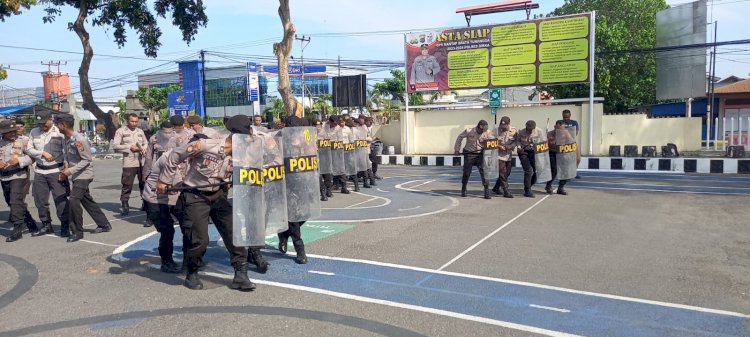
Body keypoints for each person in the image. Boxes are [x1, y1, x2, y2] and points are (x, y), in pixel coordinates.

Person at [157, 115, 255, 291]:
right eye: (246, 137)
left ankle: (241, 275)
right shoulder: (205, 146)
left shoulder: (243, 154)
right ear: (236, 137)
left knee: (235, 234)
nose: (249, 141)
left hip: (218, 195)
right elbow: (174, 156)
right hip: (195, 196)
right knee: (199, 240)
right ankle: (192, 272)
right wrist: (164, 180)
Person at [56, 113, 112, 242]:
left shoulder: (79, 139)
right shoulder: (65, 138)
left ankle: (77, 231)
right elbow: (67, 155)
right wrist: (66, 165)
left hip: (84, 175)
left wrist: (69, 171)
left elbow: (87, 160)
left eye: (58, 124)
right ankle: (104, 224)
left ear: (63, 125)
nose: (57, 127)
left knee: (74, 200)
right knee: (86, 199)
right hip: (76, 175)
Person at [26, 111, 70, 237]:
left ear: (50, 119)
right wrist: (42, 153)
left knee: (60, 200)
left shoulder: (59, 132)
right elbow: (28, 149)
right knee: (40, 200)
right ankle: (46, 224)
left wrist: (66, 166)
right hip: (40, 171)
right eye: (40, 123)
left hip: (56, 171)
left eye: (44, 123)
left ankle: (65, 226)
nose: (42, 126)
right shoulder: (34, 132)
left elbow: (66, 151)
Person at [142, 148, 184, 273]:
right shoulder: (168, 159)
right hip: (156, 198)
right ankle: (166, 262)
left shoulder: (186, 158)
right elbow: (169, 181)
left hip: (173, 197)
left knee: (188, 224)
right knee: (167, 230)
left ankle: (188, 258)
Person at [0, 120, 34, 242]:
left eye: (13, 131)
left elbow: (32, 157)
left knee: (15, 201)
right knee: (11, 201)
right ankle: (30, 223)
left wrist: (19, 161)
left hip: (19, 175)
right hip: (4, 177)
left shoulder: (23, 141)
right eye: (9, 132)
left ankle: (17, 228)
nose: (12, 133)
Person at [112, 113, 147, 216]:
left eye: (136, 121)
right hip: (129, 162)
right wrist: (129, 147)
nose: (134, 123)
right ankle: (125, 203)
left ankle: (145, 202)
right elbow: (116, 146)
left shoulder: (140, 131)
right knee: (127, 184)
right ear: (128, 121)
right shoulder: (121, 131)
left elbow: (146, 143)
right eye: (132, 121)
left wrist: (143, 148)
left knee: (144, 183)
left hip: (141, 161)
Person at [12, 119, 40, 234]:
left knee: (19, 197)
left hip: (22, 171)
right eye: (16, 126)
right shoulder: (6, 139)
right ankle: (17, 216)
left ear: (24, 128)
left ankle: (26, 222)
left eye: (20, 126)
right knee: (13, 198)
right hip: (7, 173)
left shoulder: (26, 140)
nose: (18, 128)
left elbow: (32, 157)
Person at [454, 120, 493, 199]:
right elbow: (460, 137)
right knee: (466, 172)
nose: (483, 132)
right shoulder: (469, 131)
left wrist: (489, 147)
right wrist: (457, 149)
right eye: (482, 130)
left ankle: (486, 189)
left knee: (484, 172)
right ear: (478, 127)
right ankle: (464, 188)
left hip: (480, 154)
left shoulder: (488, 132)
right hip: (469, 153)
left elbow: (493, 142)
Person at [514, 120, 545, 198]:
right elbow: (517, 141)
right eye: (528, 129)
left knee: (537, 171)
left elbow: (543, 142)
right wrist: (519, 147)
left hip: (534, 152)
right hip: (523, 152)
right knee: (529, 170)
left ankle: (528, 185)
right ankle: (527, 190)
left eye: (531, 129)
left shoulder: (539, 132)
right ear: (526, 126)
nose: (530, 130)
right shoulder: (521, 132)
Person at [491, 116, 518, 198]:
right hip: (498, 155)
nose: (503, 127)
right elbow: (490, 141)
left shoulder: (514, 130)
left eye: (505, 126)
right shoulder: (495, 130)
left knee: (507, 173)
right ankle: (506, 191)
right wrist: (498, 145)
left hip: (508, 155)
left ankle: (496, 187)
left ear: (509, 124)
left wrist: (511, 146)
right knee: (502, 174)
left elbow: (517, 141)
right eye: (501, 125)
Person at [545, 121, 570, 195]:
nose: (561, 130)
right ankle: (548, 186)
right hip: (552, 153)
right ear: (555, 127)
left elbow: (572, 143)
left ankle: (561, 188)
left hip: (562, 153)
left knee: (565, 171)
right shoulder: (549, 134)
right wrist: (549, 141)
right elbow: (542, 144)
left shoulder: (566, 133)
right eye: (559, 128)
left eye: (563, 128)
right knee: (554, 170)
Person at [558, 109, 581, 179]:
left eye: (567, 117)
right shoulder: (560, 123)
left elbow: (576, 133)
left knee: (577, 159)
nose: (565, 119)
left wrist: (565, 132)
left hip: (572, 142)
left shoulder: (574, 122)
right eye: (564, 117)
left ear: (570, 116)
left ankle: (574, 171)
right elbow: (558, 132)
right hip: (563, 143)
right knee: (564, 160)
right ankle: (565, 173)